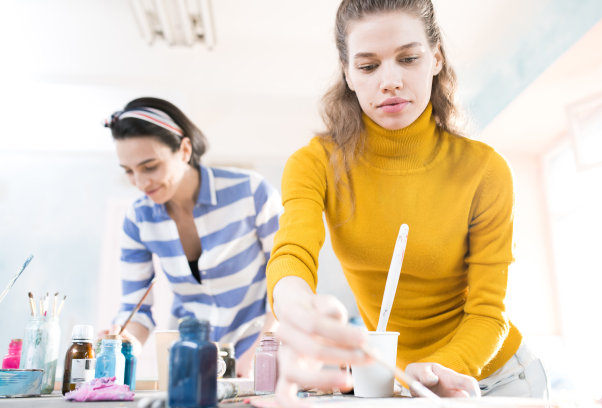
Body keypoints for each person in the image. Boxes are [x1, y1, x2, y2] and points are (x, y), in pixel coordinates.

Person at [266, 0, 549, 405]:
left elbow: (489, 312)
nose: (391, 81)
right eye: (368, 66)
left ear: (435, 58)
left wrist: (437, 367)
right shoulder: (315, 164)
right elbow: (293, 252)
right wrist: (295, 309)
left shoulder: (484, 171)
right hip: (403, 381)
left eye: (408, 58)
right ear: (347, 73)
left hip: (500, 379)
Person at [103, 97, 281, 377]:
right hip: (189, 360)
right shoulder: (138, 219)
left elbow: (289, 286)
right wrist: (125, 342)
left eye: (150, 167)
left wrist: (263, 351)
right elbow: (135, 308)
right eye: (129, 172)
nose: (140, 183)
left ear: (184, 150)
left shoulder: (251, 193)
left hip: (261, 350)